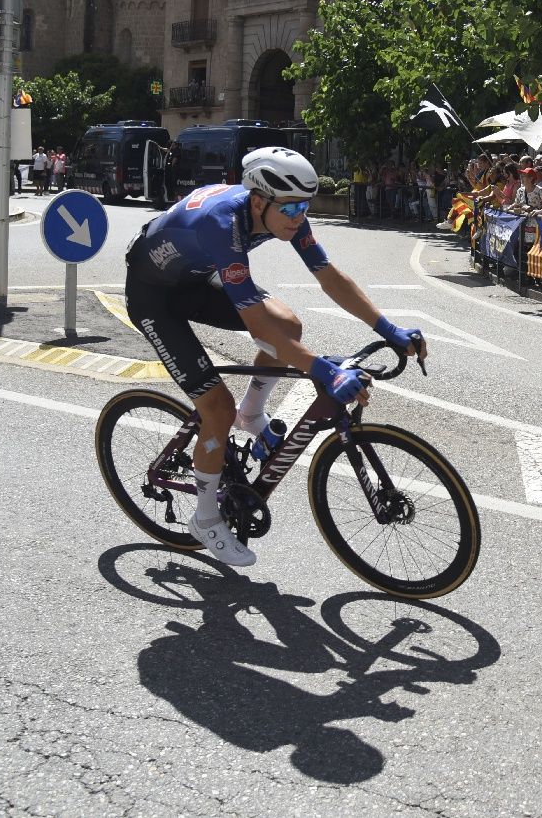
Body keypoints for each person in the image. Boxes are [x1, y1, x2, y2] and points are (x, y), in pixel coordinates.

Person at [124, 147, 425, 567]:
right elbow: (259, 327)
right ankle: (206, 518)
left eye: (307, 206)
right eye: (293, 208)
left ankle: (253, 413)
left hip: (194, 279)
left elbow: (330, 278)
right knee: (216, 408)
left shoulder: (283, 214)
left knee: (291, 325)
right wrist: (324, 371)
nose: (300, 217)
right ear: (260, 200)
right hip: (153, 297)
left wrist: (389, 329)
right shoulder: (222, 223)